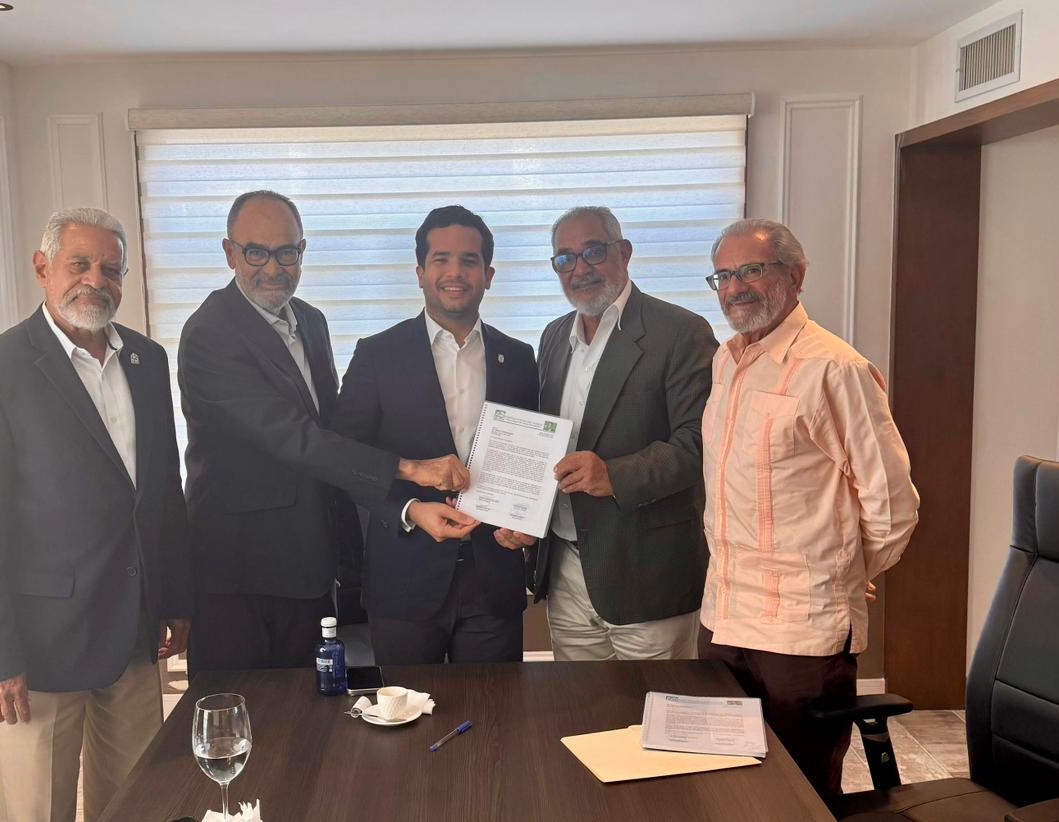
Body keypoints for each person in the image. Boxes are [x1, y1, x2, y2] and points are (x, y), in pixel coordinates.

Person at [0, 208, 191, 822]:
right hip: (39, 650)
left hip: (133, 634)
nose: (95, 281)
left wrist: (175, 598)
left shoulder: (148, 361)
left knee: (135, 802)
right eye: (79, 264)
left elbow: (164, 491)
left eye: (111, 269)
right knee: (37, 809)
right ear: (42, 268)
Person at [178, 191, 471, 673]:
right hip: (238, 575)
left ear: (302, 251)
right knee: (242, 709)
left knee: (310, 709)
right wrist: (411, 469)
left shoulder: (311, 322)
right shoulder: (210, 333)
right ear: (230, 253)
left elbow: (336, 431)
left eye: (286, 252)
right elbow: (293, 437)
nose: (273, 268)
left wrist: (406, 506)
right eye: (256, 252)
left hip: (310, 567)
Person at [698, 217, 919, 799]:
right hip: (723, 617)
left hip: (799, 632)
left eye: (751, 270)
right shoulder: (726, 361)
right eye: (723, 275)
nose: (734, 287)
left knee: (800, 793)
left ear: (794, 275)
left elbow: (893, 505)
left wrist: (845, 574)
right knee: (725, 783)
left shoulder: (835, 368)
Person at [509, 206, 718, 661]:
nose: (579, 268)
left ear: (624, 252)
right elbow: (544, 440)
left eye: (593, 252)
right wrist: (520, 510)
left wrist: (613, 475)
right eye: (565, 258)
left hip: (649, 574)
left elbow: (700, 443)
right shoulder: (553, 336)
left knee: (655, 705)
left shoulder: (680, 331)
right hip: (566, 570)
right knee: (580, 704)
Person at [333, 205, 538, 664]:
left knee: (495, 707)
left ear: (488, 274)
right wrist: (407, 509)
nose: (455, 272)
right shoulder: (377, 355)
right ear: (420, 273)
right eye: (441, 259)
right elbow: (345, 460)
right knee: (407, 708)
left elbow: (529, 459)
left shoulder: (519, 357)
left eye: (469, 261)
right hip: (403, 579)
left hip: (493, 579)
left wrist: (527, 522)